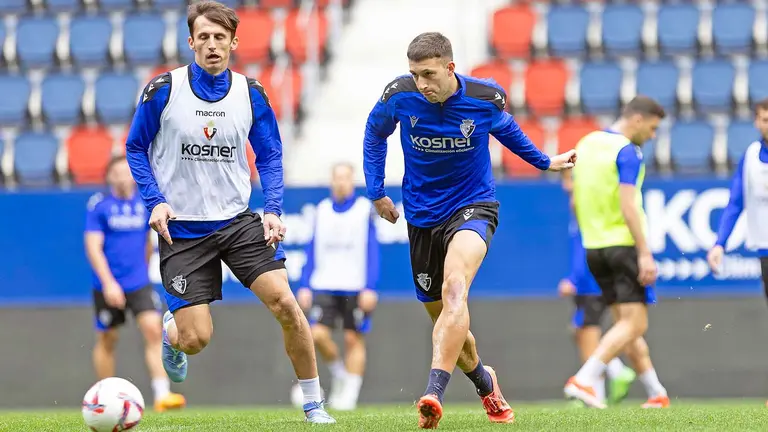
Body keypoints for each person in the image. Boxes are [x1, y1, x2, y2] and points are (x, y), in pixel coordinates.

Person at [124, 1, 334, 423]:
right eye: (204, 37)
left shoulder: (251, 94)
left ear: (234, 42)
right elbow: (135, 147)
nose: (212, 45)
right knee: (196, 339)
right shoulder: (164, 89)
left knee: (287, 305)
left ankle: (314, 404)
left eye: (221, 37)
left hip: (238, 221)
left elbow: (271, 155)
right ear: (191, 42)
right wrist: (155, 201)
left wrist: (272, 209)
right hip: (182, 230)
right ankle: (173, 332)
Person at [362, 31, 577, 429]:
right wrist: (376, 192)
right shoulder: (399, 95)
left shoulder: (483, 97)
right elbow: (375, 134)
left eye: (428, 74)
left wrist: (545, 161)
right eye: (415, 74)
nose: (421, 84)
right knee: (447, 320)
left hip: (473, 206)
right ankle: (483, 380)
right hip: (422, 217)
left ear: (450, 67)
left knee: (454, 287)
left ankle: (433, 393)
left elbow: (507, 130)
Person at [564, 96, 670, 409]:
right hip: (622, 244)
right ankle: (585, 379)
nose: (652, 136)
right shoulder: (627, 151)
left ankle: (656, 393)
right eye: (652, 128)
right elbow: (628, 205)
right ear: (637, 119)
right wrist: (645, 252)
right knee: (635, 324)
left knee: (625, 323)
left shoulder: (587, 143)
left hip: (594, 247)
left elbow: (574, 200)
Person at [84, 155, 186, 413]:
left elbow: (147, 246)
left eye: (125, 172)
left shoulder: (144, 205)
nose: (121, 177)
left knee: (153, 329)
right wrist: (109, 283)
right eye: (116, 172)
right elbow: (93, 248)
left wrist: (143, 270)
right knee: (108, 338)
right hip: (108, 285)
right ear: (109, 177)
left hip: (138, 282)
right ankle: (104, 397)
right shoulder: (99, 206)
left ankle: (163, 395)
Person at [290, 162, 379, 411]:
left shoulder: (364, 210)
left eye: (345, 178)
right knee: (316, 334)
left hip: (354, 284)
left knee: (353, 338)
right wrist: (305, 284)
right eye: (337, 178)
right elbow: (312, 247)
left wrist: (370, 286)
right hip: (324, 283)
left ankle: (350, 392)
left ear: (352, 182)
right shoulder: (321, 210)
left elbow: (372, 249)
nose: (341, 182)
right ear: (331, 181)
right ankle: (339, 374)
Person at [707, 99, 768, 405]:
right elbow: (735, 202)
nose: (766, 124)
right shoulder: (751, 156)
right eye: (763, 119)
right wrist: (720, 243)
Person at [558, 169, 636, 407]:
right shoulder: (579, 204)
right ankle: (615, 370)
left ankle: (598, 389)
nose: (565, 185)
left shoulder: (585, 204)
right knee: (580, 331)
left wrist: (575, 278)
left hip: (591, 282)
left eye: (569, 179)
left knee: (587, 332)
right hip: (590, 280)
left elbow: (589, 245)